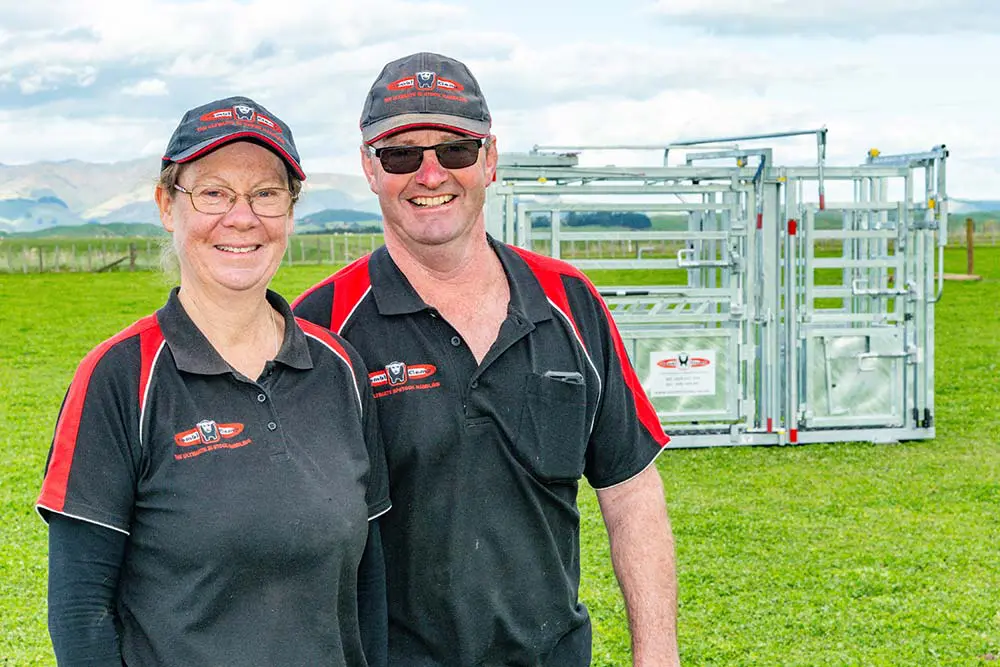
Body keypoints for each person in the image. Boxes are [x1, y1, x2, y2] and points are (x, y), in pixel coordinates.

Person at [294, 53, 680, 666]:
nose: (429, 174)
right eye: (400, 154)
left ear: (490, 160)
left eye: (455, 150)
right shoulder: (320, 326)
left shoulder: (568, 301)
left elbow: (631, 492)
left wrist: (656, 657)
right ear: (369, 168)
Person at [36, 96, 390, 666]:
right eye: (213, 192)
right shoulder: (120, 376)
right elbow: (81, 613)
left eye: (265, 194)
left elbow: (368, 584)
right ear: (166, 205)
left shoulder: (340, 369)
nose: (241, 217)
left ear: (290, 211)